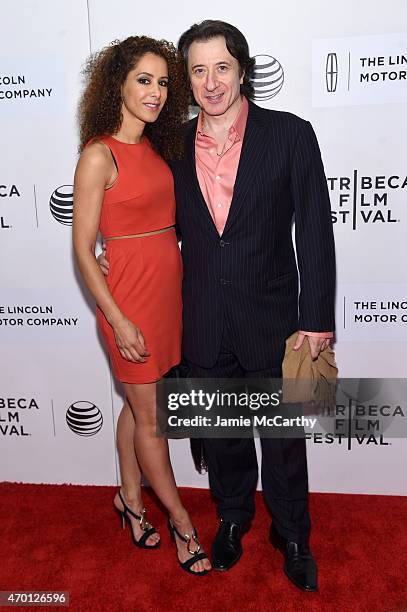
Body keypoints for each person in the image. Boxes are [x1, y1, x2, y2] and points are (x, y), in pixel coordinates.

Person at [99, 21, 335, 591]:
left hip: (276, 318)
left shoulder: (291, 134)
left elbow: (317, 234)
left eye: (221, 67)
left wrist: (317, 321)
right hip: (201, 316)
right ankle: (232, 519)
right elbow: (132, 201)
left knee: (281, 439)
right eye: (198, 70)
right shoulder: (169, 146)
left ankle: (293, 533)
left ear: (242, 69)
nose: (210, 82)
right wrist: (110, 250)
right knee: (223, 435)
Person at [73, 35, 211, 576]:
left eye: (162, 82)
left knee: (136, 407)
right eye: (143, 80)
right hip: (127, 303)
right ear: (118, 85)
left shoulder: (159, 146)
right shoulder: (97, 154)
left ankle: (129, 497)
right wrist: (117, 318)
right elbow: (84, 250)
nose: (155, 92)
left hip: (164, 298)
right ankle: (181, 522)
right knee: (152, 417)